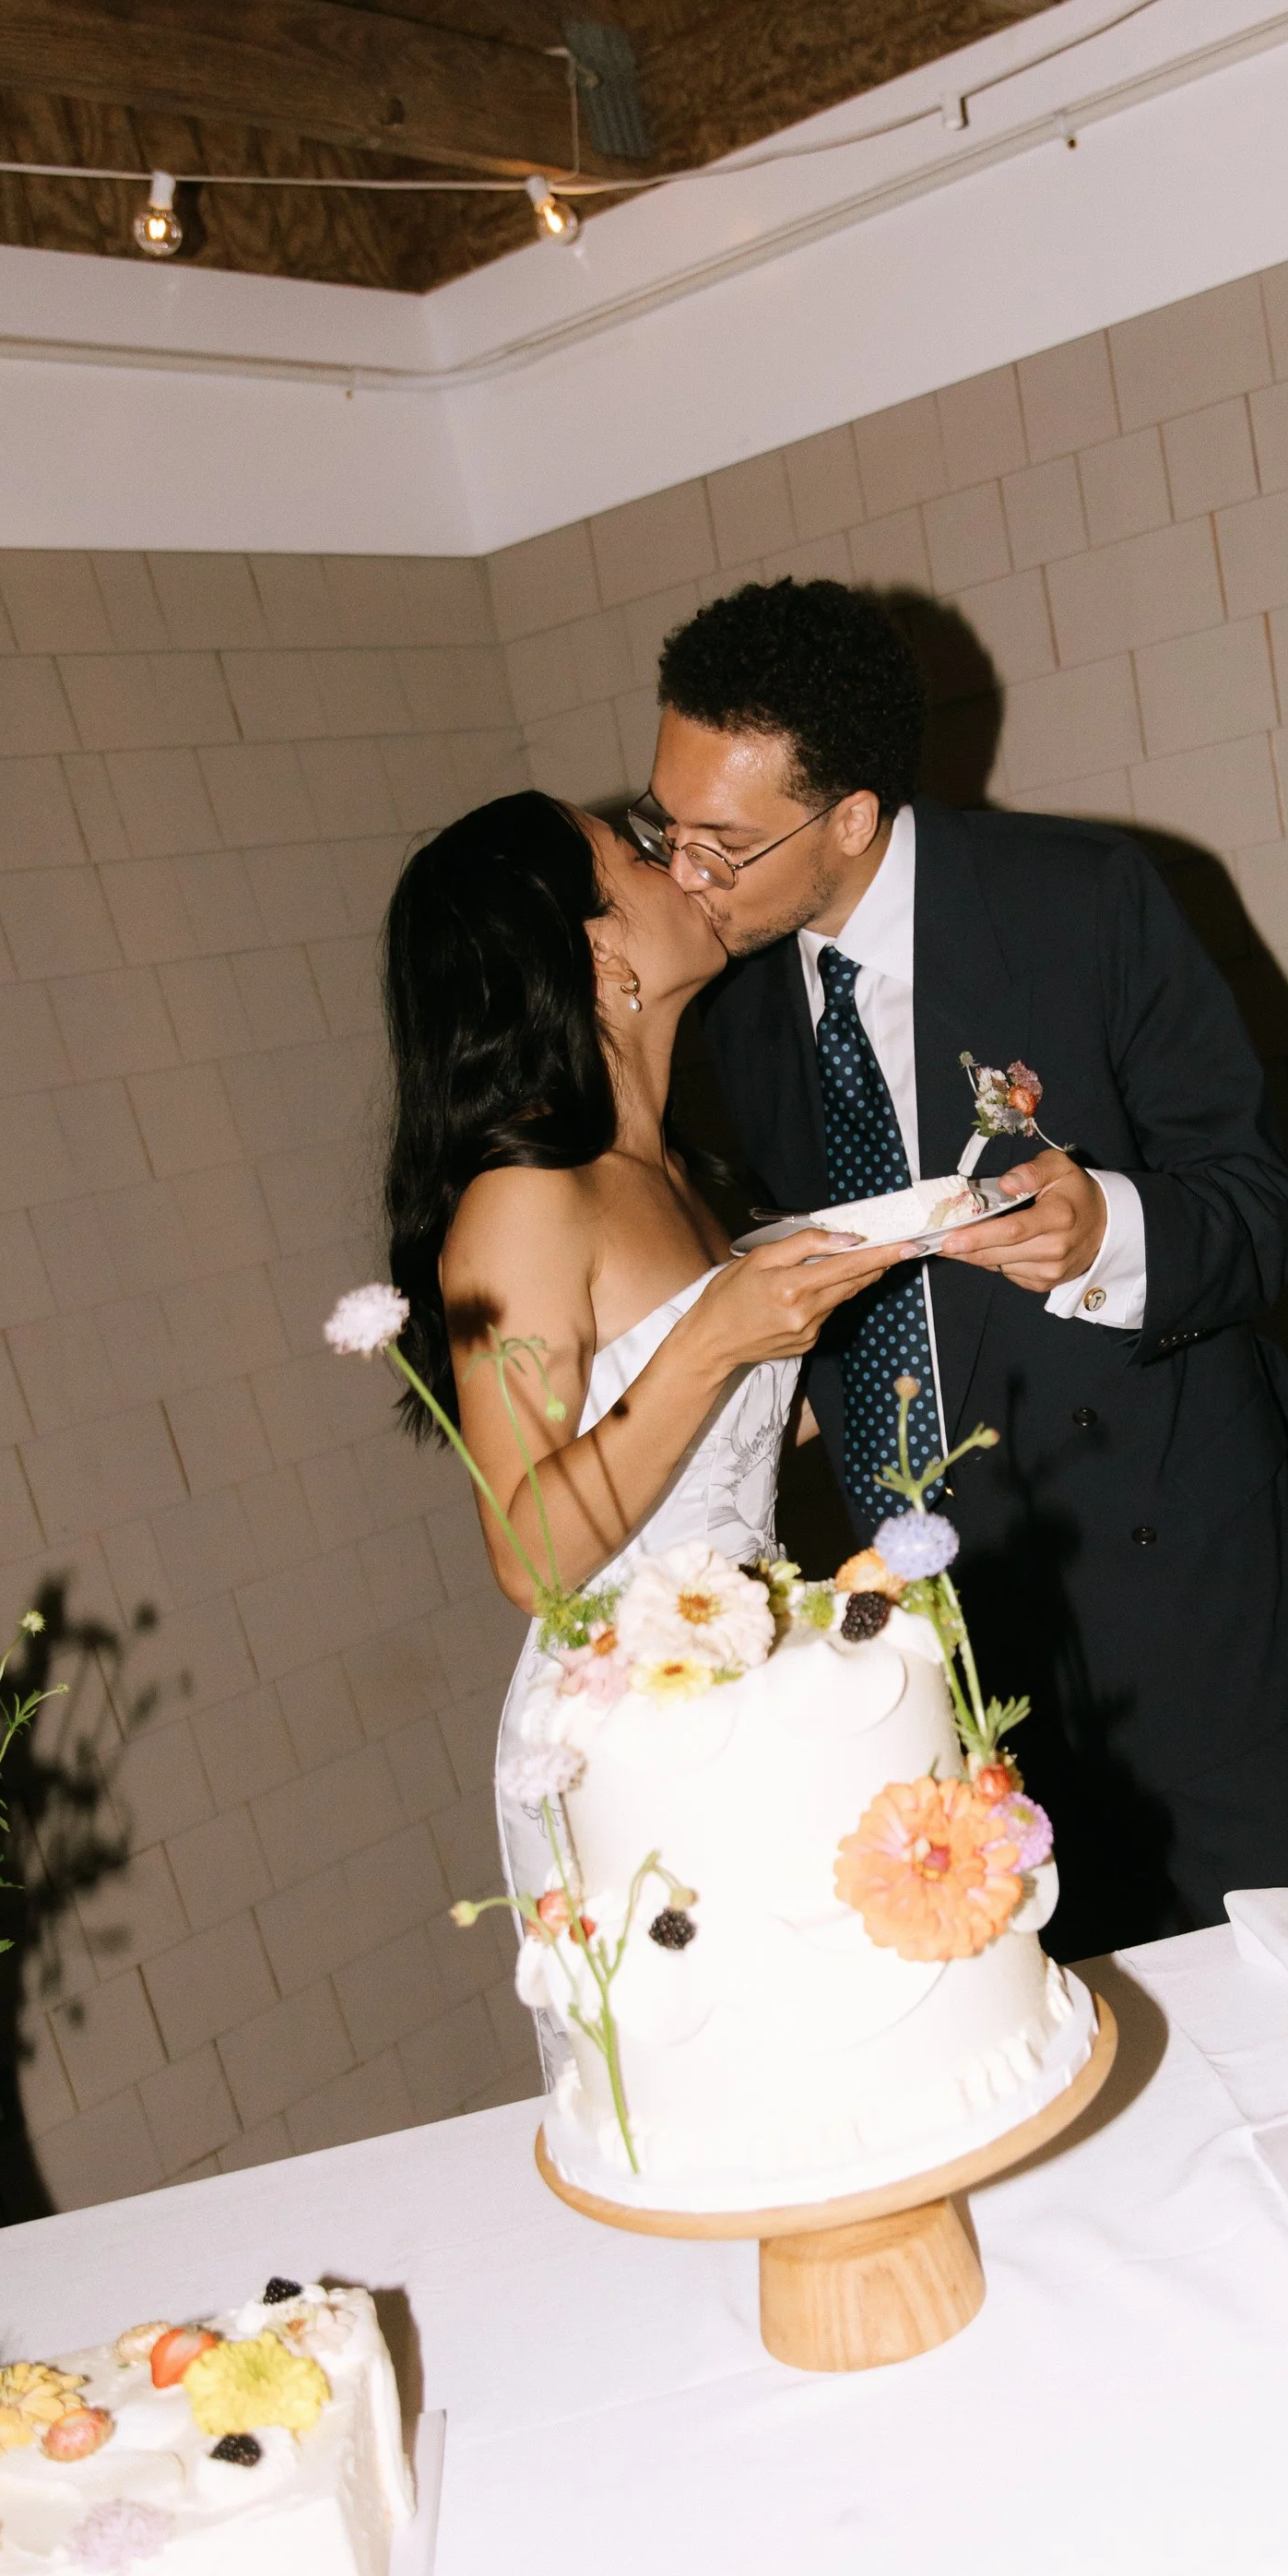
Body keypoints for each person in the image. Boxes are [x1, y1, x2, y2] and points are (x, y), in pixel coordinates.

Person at [642, 577, 1288, 1953]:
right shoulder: (722, 1000)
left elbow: (1269, 1211)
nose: (684, 875)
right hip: (938, 1631)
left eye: (723, 844)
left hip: (1183, 1586)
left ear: (852, 817)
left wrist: (1107, 1236)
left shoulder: (1083, 899)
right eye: (664, 825)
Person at [378, 789, 904, 1919]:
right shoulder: (523, 1199)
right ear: (594, 950)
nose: (687, 864)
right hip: (631, 1729)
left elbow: (724, 1438)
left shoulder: (674, 1173)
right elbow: (528, 1556)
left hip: (748, 1677)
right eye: (640, 855)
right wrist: (712, 1339)